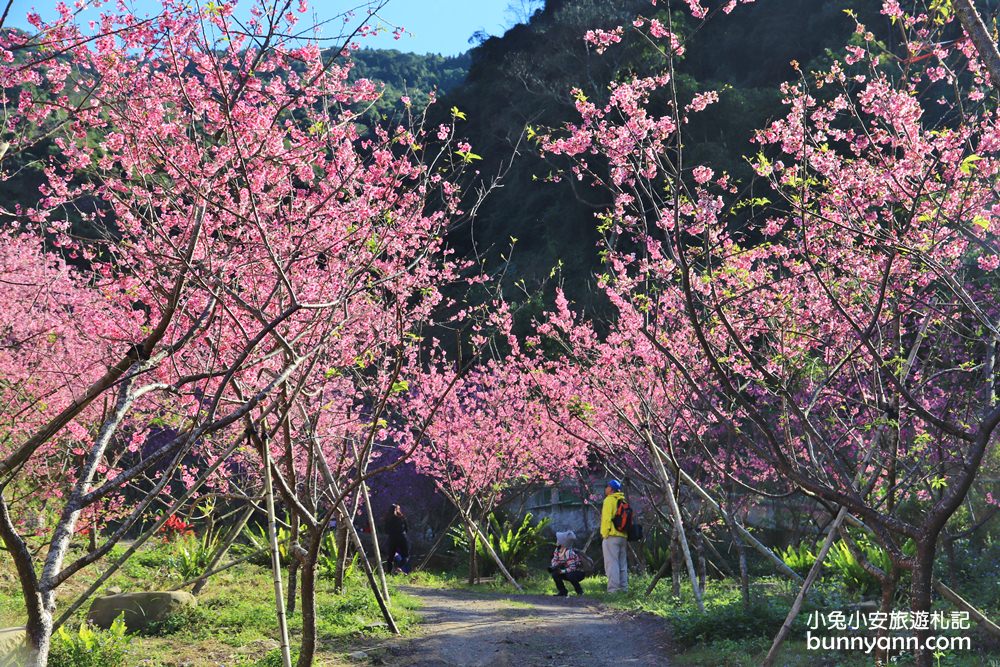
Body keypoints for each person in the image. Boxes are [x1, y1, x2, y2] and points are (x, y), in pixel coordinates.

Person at [601, 479, 628, 592]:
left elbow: (606, 519)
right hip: (623, 536)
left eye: (606, 486)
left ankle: (613, 590)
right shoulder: (623, 500)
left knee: (612, 564)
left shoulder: (609, 500)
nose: (605, 488)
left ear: (611, 489)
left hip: (611, 536)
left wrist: (604, 534)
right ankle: (624, 589)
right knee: (622, 564)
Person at [548, 530, 585, 596]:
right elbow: (554, 559)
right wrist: (555, 566)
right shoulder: (557, 550)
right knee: (554, 574)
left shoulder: (569, 553)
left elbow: (572, 568)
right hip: (566, 570)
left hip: (578, 572)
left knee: (570, 575)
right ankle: (562, 591)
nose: (557, 540)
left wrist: (562, 571)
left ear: (562, 543)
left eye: (558, 539)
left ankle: (579, 591)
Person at [383, 503, 410, 574]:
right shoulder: (402, 518)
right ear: (398, 510)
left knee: (390, 557)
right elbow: (407, 529)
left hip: (392, 538)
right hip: (402, 537)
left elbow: (386, 530)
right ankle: (399, 567)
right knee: (406, 556)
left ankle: (388, 573)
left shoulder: (387, 519)